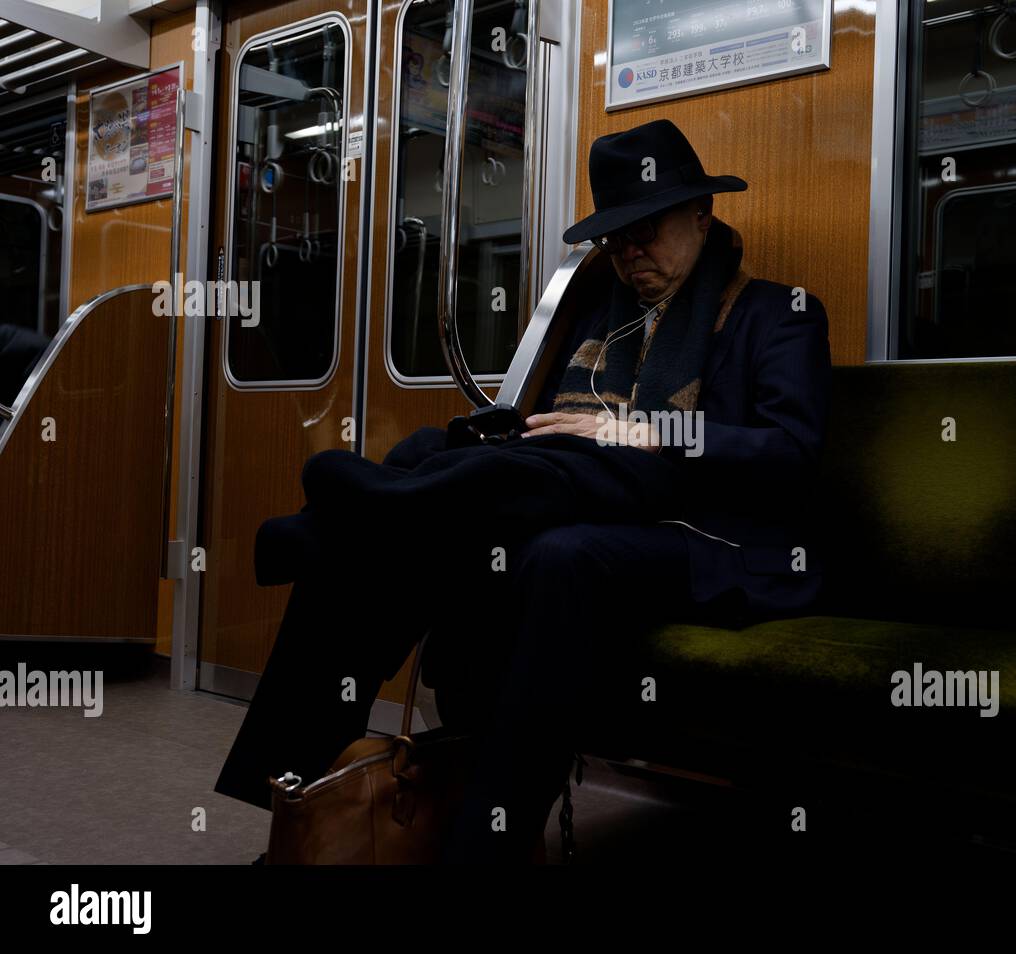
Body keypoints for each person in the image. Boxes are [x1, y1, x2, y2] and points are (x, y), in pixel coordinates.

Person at [214, 118, 832, 862]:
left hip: (718, 537)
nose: (629, 251)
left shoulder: (778, 315)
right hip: (603, 496)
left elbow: (791, 456)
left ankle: (488, 845)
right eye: (615, 240)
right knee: (386, 548)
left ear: (702, 213)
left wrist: (642, 431)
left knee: (556, 554)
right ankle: (298, 811)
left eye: (646, 230)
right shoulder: (607, 323)